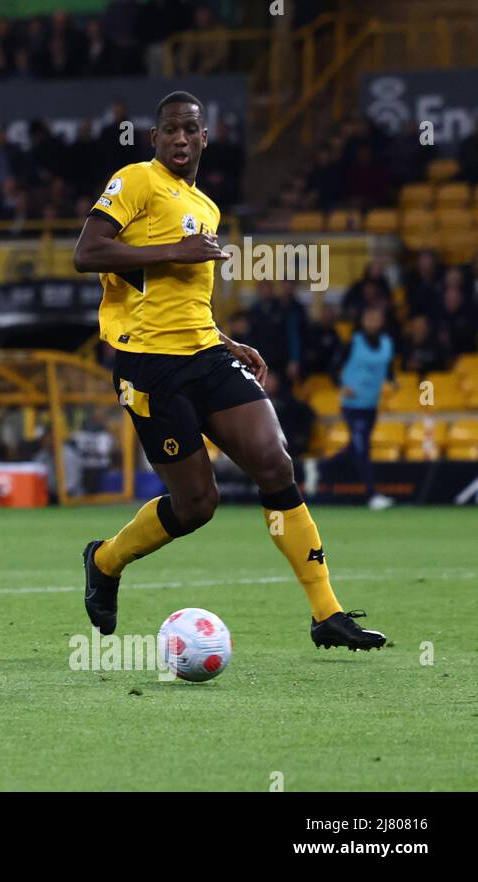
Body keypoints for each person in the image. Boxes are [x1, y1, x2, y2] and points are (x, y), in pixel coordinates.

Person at [72, 91, 386, 651]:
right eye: (170, 129)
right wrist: (174, 250)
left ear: (204, 138)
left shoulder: (208, 208)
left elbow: (184, 296)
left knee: (274, 461)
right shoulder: (136, 181)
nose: (180, 139)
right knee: (197, 506)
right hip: (150, 365)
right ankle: (105, 559)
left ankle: (326, 613)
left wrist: (226, 339)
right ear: (155, 138)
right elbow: (87, 252)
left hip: (206, 354)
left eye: (190, 129)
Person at [333, 304, 396, 510]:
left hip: (371, 404)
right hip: (353, 405)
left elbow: (388, 368)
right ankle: (372, 495)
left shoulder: (387, 343)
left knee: (355, 448)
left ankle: (319, 470)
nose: (373, 321)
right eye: (369, 317)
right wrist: (343, 385)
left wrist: (393, 381)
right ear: (363, 320)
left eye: (377, 317)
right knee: (362, 448)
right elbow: (333, 367)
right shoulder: (354, 341)